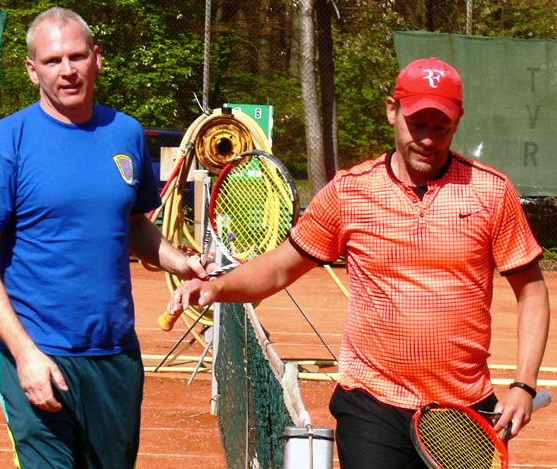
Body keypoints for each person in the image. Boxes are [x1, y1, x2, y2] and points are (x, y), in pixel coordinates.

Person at [169, 57, 551, 468]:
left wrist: (524, 386)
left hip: (464, 410)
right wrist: (217, 287)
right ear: (392, 111)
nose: (427, 138)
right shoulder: (350, 193)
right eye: (417, 123)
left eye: (440, 126)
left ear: (458, 121)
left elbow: (532, 292)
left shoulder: (491, 192)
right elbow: (281, 266)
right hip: (373, 403)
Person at [0, 7, 215, 469]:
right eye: (53, 60)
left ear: (97, 58)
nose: (67, 70)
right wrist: (24, 355)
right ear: (32, 69)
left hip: (115, 356)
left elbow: (133, 225)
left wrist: (182, 262)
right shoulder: (4, 142)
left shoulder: (127, 133)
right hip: (36, 353)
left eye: (77, 56)